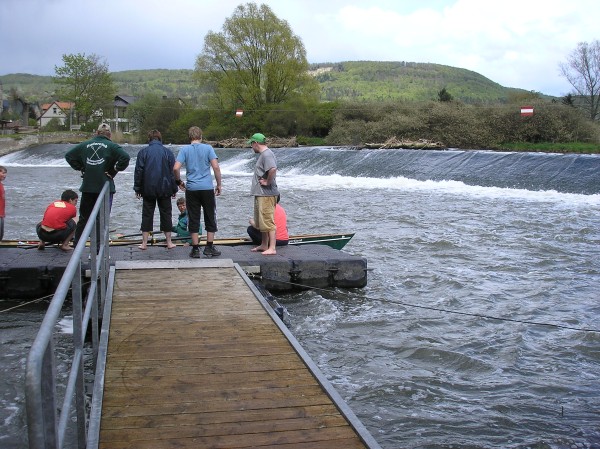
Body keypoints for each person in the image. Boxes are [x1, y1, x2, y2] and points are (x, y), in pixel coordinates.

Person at [65, 123, 130, 245]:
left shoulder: (84, 145)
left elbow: (69, 156)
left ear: (96, 133)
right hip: (105, 188)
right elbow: (125, 157)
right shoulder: (112, 146)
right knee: (102, 219)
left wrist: (81, 167)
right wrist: (114, 169)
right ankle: (99, 248)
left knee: (84, 219)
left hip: (88, 187)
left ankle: (77, 245)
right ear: (109, 134)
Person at [173, 126, 222, 258]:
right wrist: (219, 184)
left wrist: (179, 182)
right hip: (206, 188)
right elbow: (216, 167)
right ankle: (209, 247)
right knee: (210, 216)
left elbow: (176, 168)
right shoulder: (208, 148)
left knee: (193, 218)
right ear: (201, 137)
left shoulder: (184, 150)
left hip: (192, 189)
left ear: (189, 137)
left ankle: (195, 249)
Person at [134, 129, 178, 250]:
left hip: (147, 188)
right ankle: (169, 242)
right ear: (160, 138)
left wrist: (137, 188)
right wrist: (174, 189)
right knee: (166, 214)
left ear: (149, 139)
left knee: (147, 215)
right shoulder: (168, 152)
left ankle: (144, 243)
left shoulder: (143, 152)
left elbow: (139, 171)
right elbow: (172, 173)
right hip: (165, 188)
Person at [248, 132, 279, 255]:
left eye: (251, 144)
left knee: (267, 220)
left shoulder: (267, 154)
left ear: (255, 143)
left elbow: (272, 169)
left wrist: (267, 181)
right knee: (261, 221)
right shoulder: (264, 154)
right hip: (261, 194)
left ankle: (272, 247)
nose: (251, 147)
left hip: (266, 194)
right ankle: (264, 244)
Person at [0, 165, 6, 241]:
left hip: (1, 214)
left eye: (5, 173)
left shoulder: (1, 184)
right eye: (3, 173)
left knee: (1, 235)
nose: (4, 175)